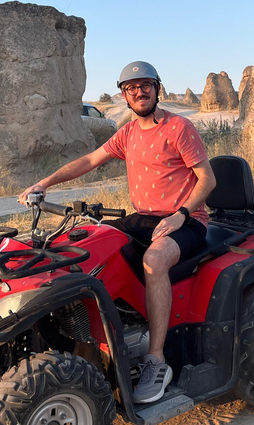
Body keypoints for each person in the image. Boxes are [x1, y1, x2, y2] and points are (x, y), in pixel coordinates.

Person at [19, 61, 216, 404]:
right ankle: (92, 337)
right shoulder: (128, 133)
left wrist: (182, 215)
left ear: (157, 88)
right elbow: (90, 160)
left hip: (188, 220)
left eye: (145, 86)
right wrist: (45, 182)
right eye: (131, 88)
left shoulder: (179, 127)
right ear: (124, 95)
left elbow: (207, 180)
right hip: (144, 217)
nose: (139, 92)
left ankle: (156, 360)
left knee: (154, 260)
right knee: (89, 241)